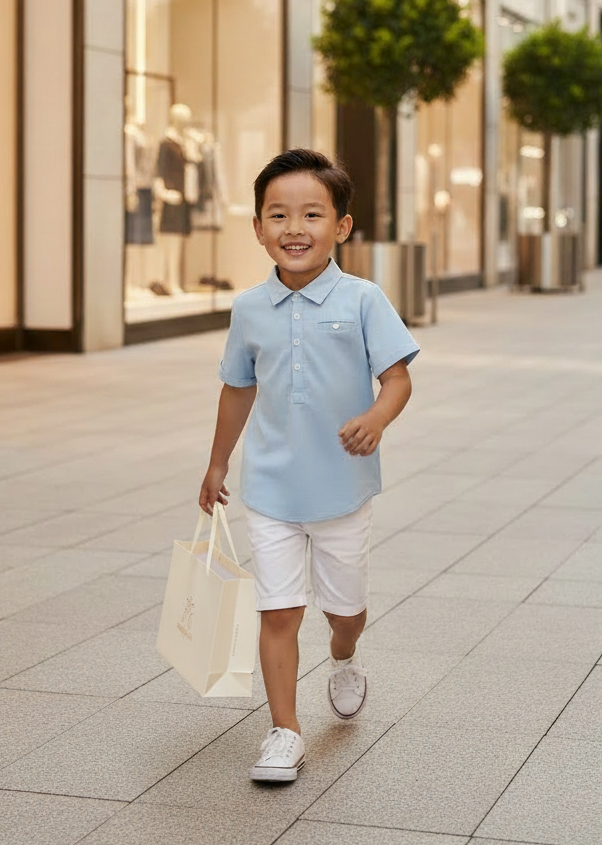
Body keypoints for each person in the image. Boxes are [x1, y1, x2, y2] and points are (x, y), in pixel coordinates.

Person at [199, 149, 419, 782]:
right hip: (270, 488)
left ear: (341, 227)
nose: (294, 228)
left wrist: (376, 418)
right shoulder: (249, 308)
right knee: (278, 610)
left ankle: (344, 656)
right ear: (258, 227)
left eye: (311, 215)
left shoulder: (363, 299)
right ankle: (284, 731)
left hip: (343, 490)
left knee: (344, 612)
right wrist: (217, 464)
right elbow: (237, 389)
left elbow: (397, 379)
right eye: (278, 215)